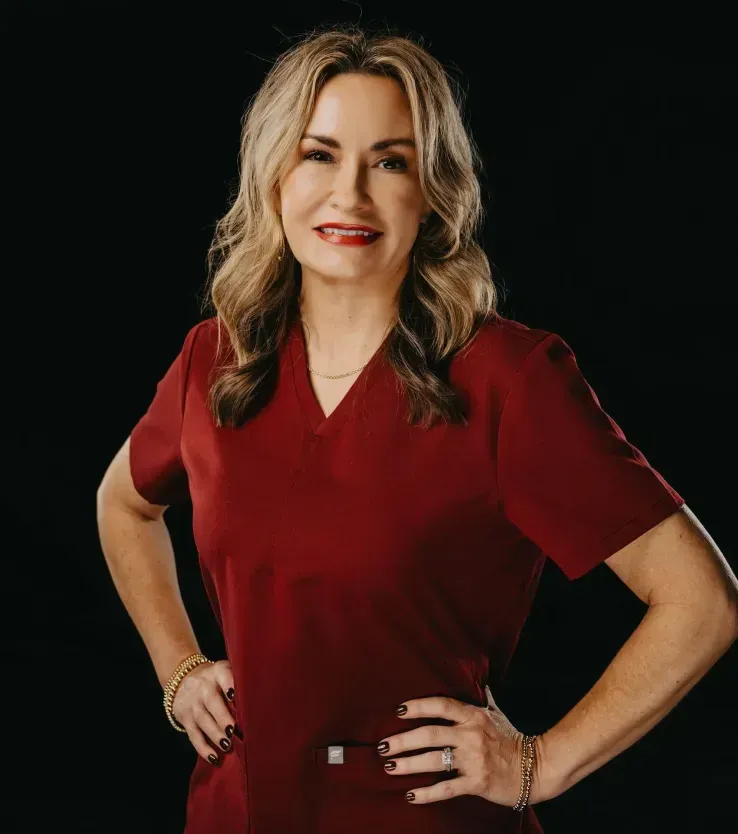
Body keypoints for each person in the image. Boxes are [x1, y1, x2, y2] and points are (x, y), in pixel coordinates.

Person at [96, 24, 738, 834]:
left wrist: (541, 762)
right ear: (273, 176)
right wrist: (178, 667)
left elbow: (702, 602)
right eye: (319, 154)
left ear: (432, 191)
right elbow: (124, 505)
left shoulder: (510, 381)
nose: (351, 195)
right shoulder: (215, 360)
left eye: (390, 162)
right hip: (236, 813)